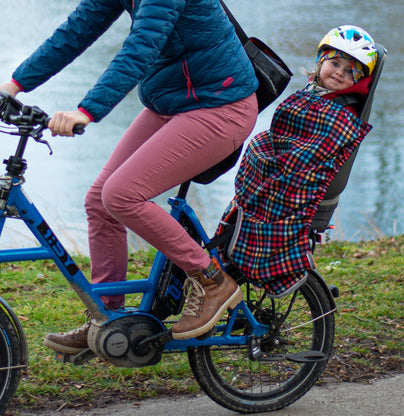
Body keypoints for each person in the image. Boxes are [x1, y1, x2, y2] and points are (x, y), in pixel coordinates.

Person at [0, 0, 259, 352]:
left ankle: (211, 279)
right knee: (100, 200)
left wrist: (86, 111)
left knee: (121, 194)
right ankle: (107, 319)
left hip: (220, 104)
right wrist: (14, 85)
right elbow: (76, 31)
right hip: (172, 100)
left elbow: (141, 48)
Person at [218, 25, 378, 297]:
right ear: (320, 61)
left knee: (261, 157)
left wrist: (275, 163)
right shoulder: (312, 93)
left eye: (351, 70)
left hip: (295, 180)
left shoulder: (341, 114)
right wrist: (266, 149)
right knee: (257, 144)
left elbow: (311, 153)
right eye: (335, 62)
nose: (339, 72)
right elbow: (282, 132)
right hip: (278, 161)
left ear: (360, 80)